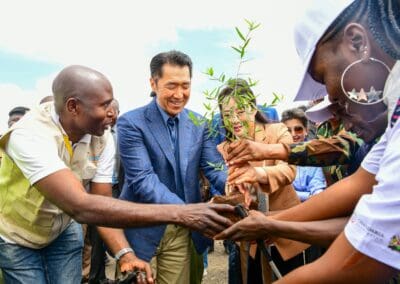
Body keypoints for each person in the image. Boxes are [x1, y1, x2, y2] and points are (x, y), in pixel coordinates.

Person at [217, 0, 400, 282]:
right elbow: (360, 183)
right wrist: (269, 223)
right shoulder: (392, 117)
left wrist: (273, 223)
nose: (331, 97)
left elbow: (362, 258)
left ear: (357, 42)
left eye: (321, 75)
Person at [0, 65, 234, 284]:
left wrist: (125, 254)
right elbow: (81, 206)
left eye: (112, 103)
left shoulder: (100, 136)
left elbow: (102, 203)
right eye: (104, 105)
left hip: (62, 230)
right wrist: (185, 213)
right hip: (18, 236)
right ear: (73, 107)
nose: (113, 114)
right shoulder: (28, 136)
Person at [108, 50, 227, 284]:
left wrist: (234, 183)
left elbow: (214, 167)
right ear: (153, 82)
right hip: (141, 227)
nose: (179, 94)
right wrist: (189, 212)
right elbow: (143, 180)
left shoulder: (198, 123)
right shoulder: (131, 123)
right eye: (172, 86)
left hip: (181, 232)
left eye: (186, 85)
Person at [217, 79, 307, 283]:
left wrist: (257, 173)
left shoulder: (277, 131)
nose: (234, 119)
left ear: (253, 107)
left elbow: (288, 170)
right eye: (227, 114)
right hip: (249, 237)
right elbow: (231, 186)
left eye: (239, 111)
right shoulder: (227, 147)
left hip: (282, 230)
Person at [281, 108, 326, 201]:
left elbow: (318, 188)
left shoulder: (314, 154)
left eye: (298, 129)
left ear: (306, 130)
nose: (293, 134)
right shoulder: (276, 157)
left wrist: (316, 196)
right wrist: (308, 196)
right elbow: (281, 193)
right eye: (288, 130)